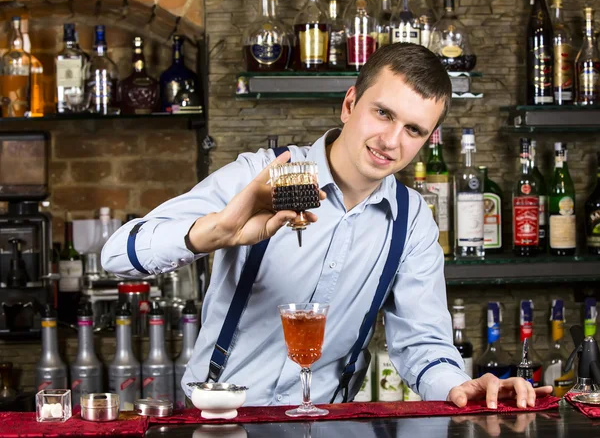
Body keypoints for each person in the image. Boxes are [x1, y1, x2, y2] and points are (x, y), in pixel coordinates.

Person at [102, 43, 552, 408]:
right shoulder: (263, 175)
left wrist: (457, 386)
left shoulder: (411, 220)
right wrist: (213, 232)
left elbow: (422, 345)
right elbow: (117, 255)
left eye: (413, 130)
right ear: (350, 103)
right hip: (224, 417)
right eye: (383, 114)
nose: (391, 142)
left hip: (327, 423)